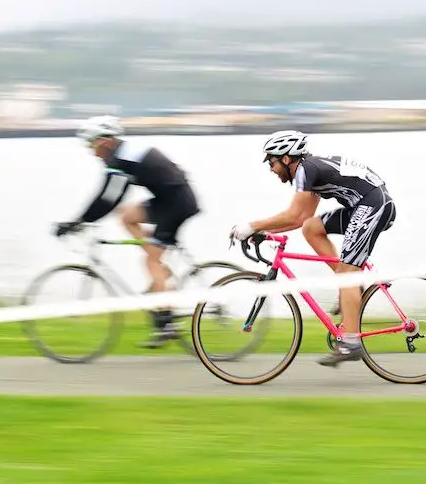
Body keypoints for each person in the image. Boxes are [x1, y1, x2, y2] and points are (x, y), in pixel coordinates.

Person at [229, 129, 396, 367]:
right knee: (311, 227)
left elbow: (292, 214)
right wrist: (264, 232)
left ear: (287, 158)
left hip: (372, 206)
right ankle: (349, 281)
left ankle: (351, 341)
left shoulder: (307, 169)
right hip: (366, 204)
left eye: (272, 162)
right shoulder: (310, 171)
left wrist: (251, 225)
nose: (271, 169)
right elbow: (301, 219)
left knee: (348, 274)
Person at [54, 114, 201, 348]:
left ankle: (166, 322)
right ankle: (160, 271)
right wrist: (81, 220)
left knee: (150, 262)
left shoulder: (120, 158)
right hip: (170, 199)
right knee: (127, 215)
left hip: (177, 204)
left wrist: (78, 221)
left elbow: (109, 197)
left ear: (105, 141)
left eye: (92, 145)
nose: (93, 152)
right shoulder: (122, 153)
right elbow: (109, 197)